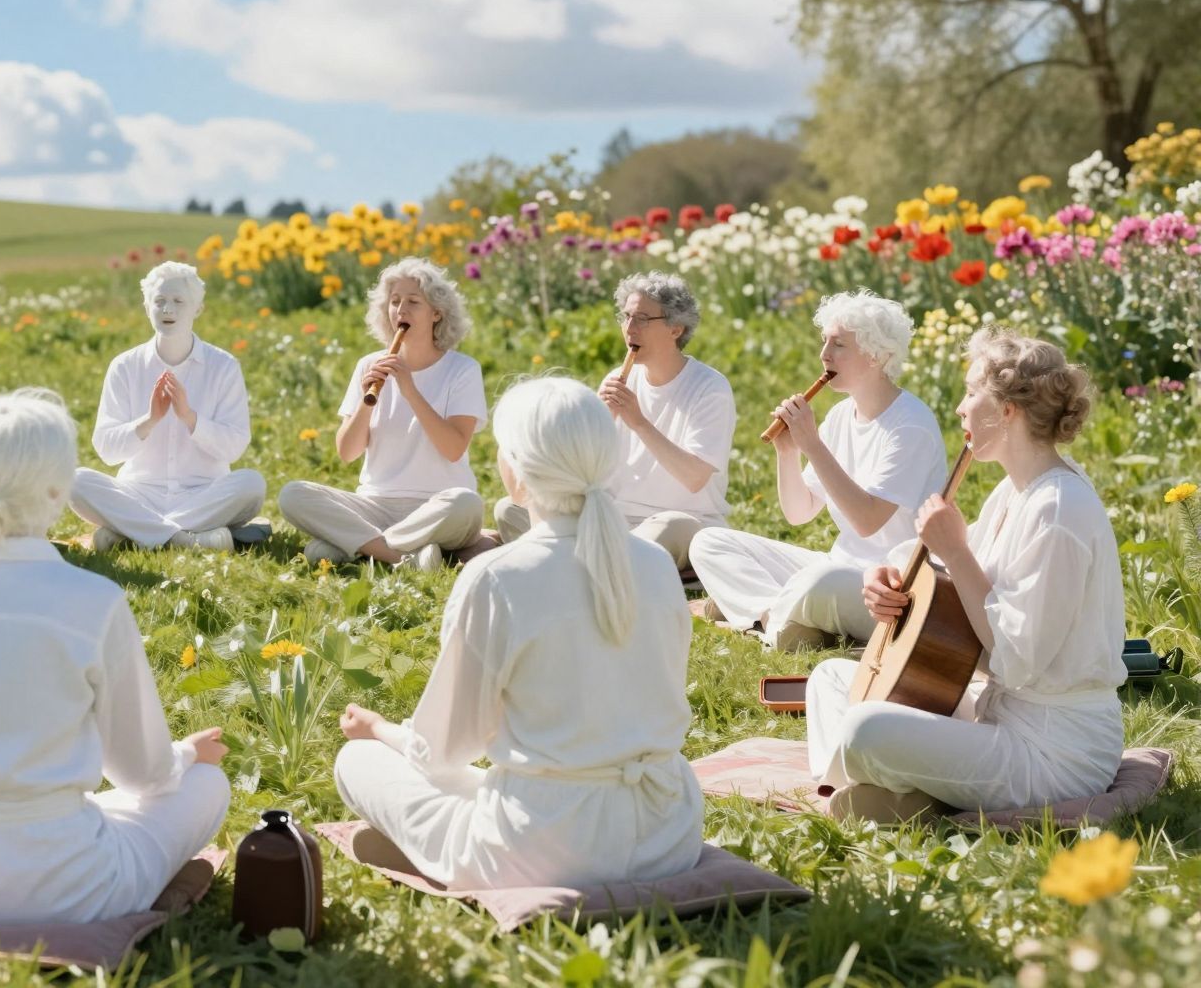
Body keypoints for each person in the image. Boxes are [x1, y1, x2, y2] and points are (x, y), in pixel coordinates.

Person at [0, 390, 231, 926]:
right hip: (66, 889)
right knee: (206, 784)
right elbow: (143, 776)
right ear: (60, 488)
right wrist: (185, 755)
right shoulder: (93, 599)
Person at [333, 376, 703, 889]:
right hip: (669, 835)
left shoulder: (497, 577)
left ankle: (427, 849)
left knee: (360, 760)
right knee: (519, 780)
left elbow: (442, 751)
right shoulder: (657, 563)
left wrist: (377, 730)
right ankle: (429, 845)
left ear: (517, 472)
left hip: (548, 848)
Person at [805, 328, 1126, 822]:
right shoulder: (1015, 491)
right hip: (996, 711)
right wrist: (888, 578)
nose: (960, 407)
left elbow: (1019, 660)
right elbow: (941, 571)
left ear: (1007, 411)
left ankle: (882, 786)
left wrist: (955, 553)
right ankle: (898, 791)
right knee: (829, 678)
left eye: (972, 392)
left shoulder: (1059, 510)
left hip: (1055, 751)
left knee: (864, 728)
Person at [688, 292, 948, 649]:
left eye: (839, 344)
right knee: (708, 543)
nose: (824, 354)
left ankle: (766, 614)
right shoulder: (842, 415)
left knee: (821, 579)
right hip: (838, 566)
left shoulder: (910, 425)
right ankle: (775, 618)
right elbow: (800, 513)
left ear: (877, 355)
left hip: (889, 586)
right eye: (824, 341)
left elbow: (868, 520)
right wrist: (788, 453)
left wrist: (813, 445)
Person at [500, 274, 734, 569]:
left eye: (643, 319)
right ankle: (589, 561)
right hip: (614, 518)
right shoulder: (617, 379)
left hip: (684, 520)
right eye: (626, 317)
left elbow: (695, 478)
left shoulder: (709, 387)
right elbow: (587, 474)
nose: (630, 329)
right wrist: (596, 428)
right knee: (510, 510)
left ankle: (569, 562)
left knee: (668, 527)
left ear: (676, 329)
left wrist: (639, 423)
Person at [278, 258, 487, 570]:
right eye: (394, 301)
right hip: (375, 505)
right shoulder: (369, 365)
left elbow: (454, 448)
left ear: (437, 313)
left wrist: (409, 389)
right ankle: (406, 557)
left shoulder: (462, 370)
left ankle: (359, 545)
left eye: (413, 302)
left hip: (437, 506)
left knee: (466, 504)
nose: (401, 310)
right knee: (292, 495)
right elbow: (347, 452)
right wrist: (367, 400)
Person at [70, 262, 265, 552]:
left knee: (252, 485)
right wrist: (149, 421)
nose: (167, 310)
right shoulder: (125, 366)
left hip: (203, 494)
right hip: (138, 494)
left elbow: (234, 446)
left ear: (197, 309)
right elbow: (107, 450)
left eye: (178, 301)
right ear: (146, 306)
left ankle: (132, 533)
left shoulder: (223, 366)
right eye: (159, 301)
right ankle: (185, 539)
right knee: (75, 481)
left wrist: (190, 418)